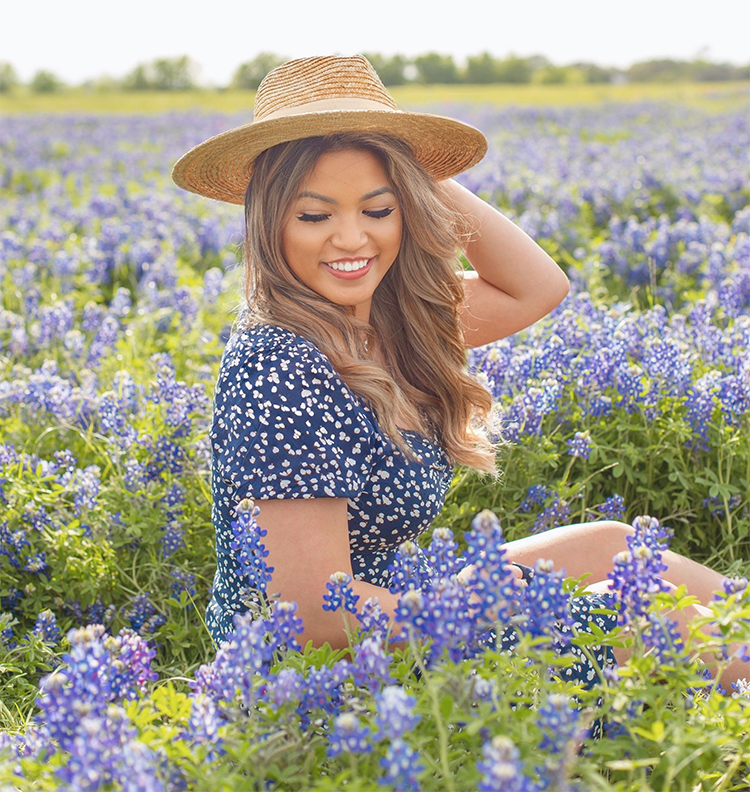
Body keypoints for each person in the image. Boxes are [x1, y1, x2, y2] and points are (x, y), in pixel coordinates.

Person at [173, 55, 748, 685]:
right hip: (335, 674)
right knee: (654, 624)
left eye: (377, 209)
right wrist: (480, 611)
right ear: (269, 221)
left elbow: (538, 286)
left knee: (615, 545)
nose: (351, 238)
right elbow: (315, 615)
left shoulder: (394, 322)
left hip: (409, 607)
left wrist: (407, 162)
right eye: (315, 215)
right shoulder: (277, 363)